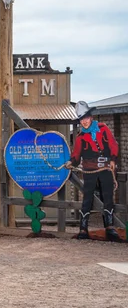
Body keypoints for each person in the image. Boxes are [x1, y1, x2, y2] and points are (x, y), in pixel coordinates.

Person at [65, 101, 121, 241]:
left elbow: (113, 144)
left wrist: (113, 159)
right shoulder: (80, 137)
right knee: (87, 198)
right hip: (89, 170)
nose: (84, 121)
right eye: (81, 119)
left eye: (86, 118)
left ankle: (109, 227)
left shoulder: (103, 128)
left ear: (90, 117)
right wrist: (71, 162)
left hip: (105, 168)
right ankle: (83, 229)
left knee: (107, 196)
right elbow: (77, 155)